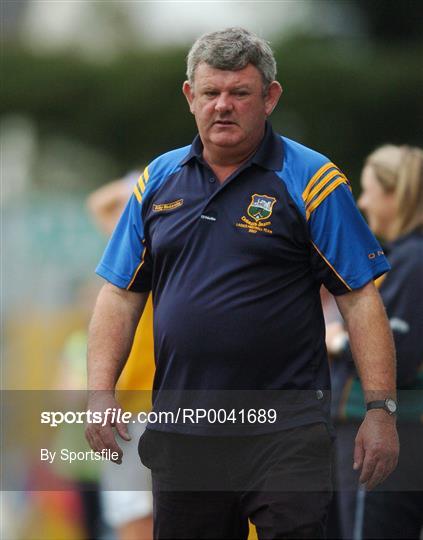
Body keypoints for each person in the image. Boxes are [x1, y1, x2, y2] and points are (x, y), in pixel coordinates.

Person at [85, 28, 399, 539]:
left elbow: (361, 299)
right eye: (210, 93)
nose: (223, 106)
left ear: (270, 97)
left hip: (287, 431)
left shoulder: (313, 179)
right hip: (185, 432)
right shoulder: (157, 180)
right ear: (190, 96)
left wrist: (380, 411)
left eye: (240, 93)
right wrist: (101, 392)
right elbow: (120, 295)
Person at [327, 145, 423, 539]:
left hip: (385, 431)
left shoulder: (414, 261)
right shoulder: (402, 256)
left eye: (367, 191)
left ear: (395, 193)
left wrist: (335, 341)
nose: (363, 203)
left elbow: (398, 352)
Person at [87, 174, 155, 540]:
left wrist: (140, 182)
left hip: (140, 406)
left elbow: (98, 202)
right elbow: (97, 204)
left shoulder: (153, 243)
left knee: (136, 519)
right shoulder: (142, 242)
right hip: (136, 404)